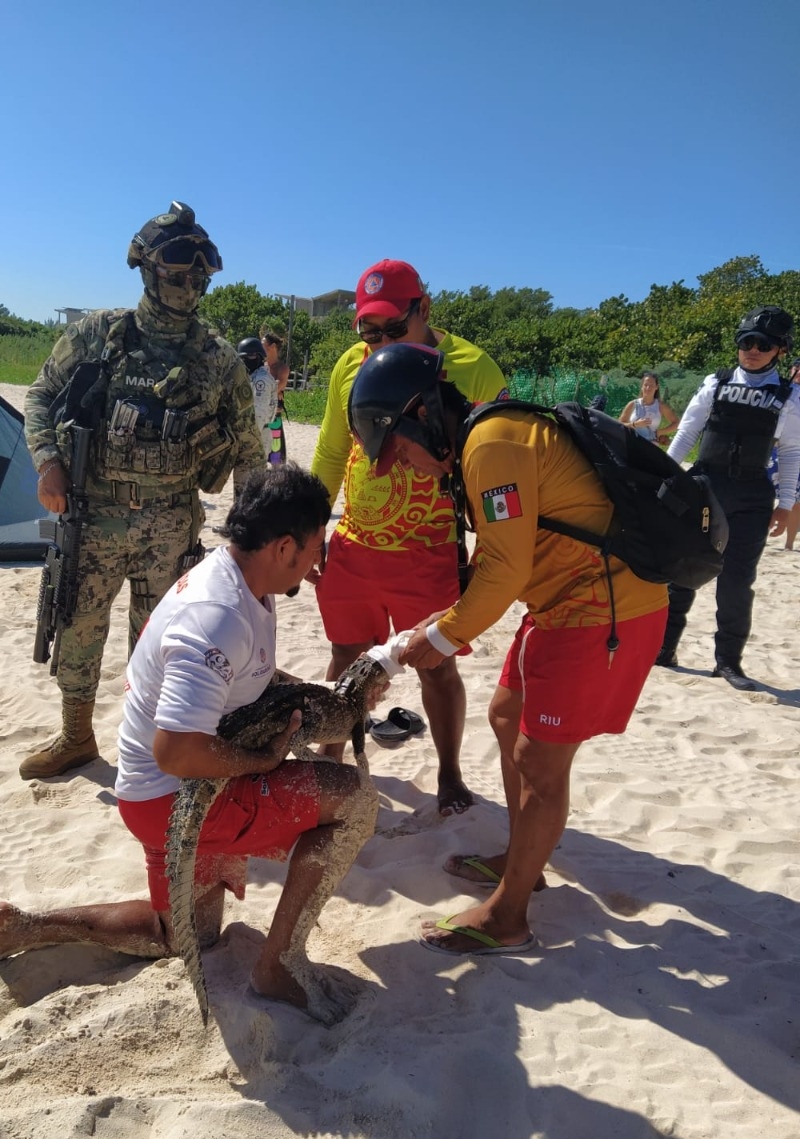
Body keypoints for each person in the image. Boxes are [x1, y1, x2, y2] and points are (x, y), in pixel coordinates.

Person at [0, 467, 379, 1025]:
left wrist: (326, 698)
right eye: (313, 551)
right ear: (283, 547)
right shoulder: (218, 617)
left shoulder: (239, 577)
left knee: (184, 935)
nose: (316, 563)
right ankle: (278, 965)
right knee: (354, 800)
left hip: (154, 792)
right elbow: (177, 752)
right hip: (172, 794)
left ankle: (25, 926)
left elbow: (246, 678)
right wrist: (262, 761)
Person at [347, 343, 668, 956]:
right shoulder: (480, 443)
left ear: (418, 417)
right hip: (560, 601)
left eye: (405, 453)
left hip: (604, 606)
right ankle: (525, 861)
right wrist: (440, 624)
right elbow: (500, 563)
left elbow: (505, 571)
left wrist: (439, 641)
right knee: (505, 715)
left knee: (540, 763)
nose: (410, 468)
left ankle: (510, 916)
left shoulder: (491, 445)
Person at [19, 202, 265, 780]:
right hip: (95, 518)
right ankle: (76, 737)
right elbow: (39, 397)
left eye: (199, 273)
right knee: (78, 628)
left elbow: (251, 457)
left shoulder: (220, 359)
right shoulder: (97, 335)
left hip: (173, 527)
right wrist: (48, 462)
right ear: (146, 268)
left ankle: (152, 753)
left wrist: (256, 542)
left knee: (164, 647)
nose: (189, 283)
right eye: (177, 270)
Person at [310, 259, 508, 816]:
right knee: (346, 657)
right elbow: (329, 450)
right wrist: (310, 528)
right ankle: (331, 762)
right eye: (368, 331)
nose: (377, 343)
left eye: (393, 329)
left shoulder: (471, 367)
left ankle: (448, 774)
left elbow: (495, 461)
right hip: (354, 543)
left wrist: (492, 547)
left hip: (427, 550)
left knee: (435, 664)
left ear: (424, 309)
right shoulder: (350, 366)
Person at [655, 307, 800, 690]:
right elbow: (686, 435)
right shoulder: (714, 384)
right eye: (746, 342)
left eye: (763, 344)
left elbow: (790, 452)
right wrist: (666, 477)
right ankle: (664, 648)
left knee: (737, 581)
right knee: (685, 569)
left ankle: (728, 663)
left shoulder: (789, 396)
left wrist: (785, 505)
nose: (752, 350)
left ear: (780, 350)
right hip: (705, 486)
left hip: (753, 496)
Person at [237, 337, 279, 463]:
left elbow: (259, 414)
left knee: (252, 476)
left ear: (255, 357)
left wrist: (247, 439)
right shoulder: (254, 376)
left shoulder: (261, 380)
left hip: (257, 436)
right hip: (255, 433)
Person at [619, 372, 679, 445]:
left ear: (656, 387)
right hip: (632, 444)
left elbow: (676, 423)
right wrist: (635, 424)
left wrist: (659, 432)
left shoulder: (661, 406)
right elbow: (619, 424)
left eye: (651, 385)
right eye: (645, 385)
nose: (648, 388)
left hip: (651, 446)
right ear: (641, 386)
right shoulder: (632, 404)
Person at [263, 331, 290, 464]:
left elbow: (277, 388)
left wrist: (270, 389)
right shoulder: (263, 367)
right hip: (262, 415)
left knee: (276, 456)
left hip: (274, 416)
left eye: (263, 345)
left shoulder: (282, 368)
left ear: (272, 347)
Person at [784, 357, 800, 551]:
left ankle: (789, 543)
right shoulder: (781, 389)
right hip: (773, 449)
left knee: (796, 501)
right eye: (796, 367)